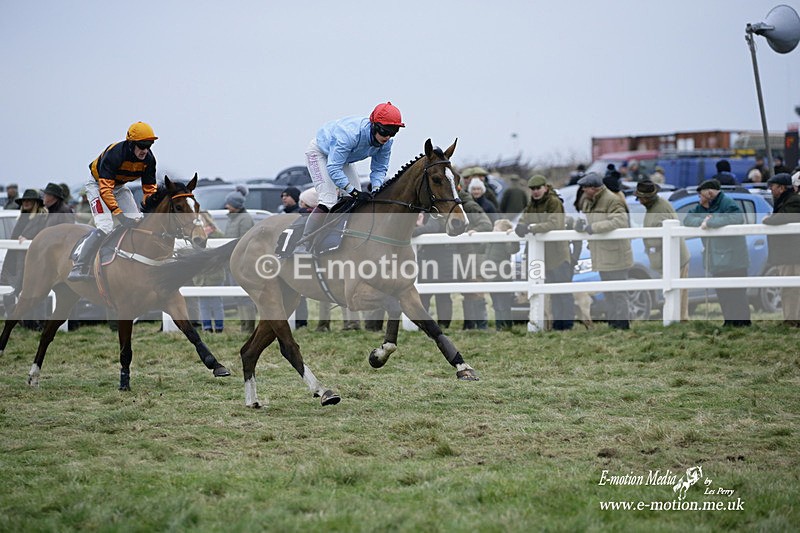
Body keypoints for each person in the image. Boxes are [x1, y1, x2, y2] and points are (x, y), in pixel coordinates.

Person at [296, 102, 404, 253]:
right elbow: (333, 168)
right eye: (385, 131)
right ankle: (303, 243)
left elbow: (379, 169)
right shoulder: (350, 135)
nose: (387, 137)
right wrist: (354, 192)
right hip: (320, 153)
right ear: (374, 125)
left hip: (343, 158)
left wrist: (376, 188)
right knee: (328, 200)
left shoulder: (387, 143)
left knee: (355, 203)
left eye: (393, 132)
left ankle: (342, 237)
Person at [68, 121, 158, 281]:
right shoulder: (115, 154)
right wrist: (119, 214)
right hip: (98, 185)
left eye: (149, 145)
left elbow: (150, 189)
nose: (145, 150)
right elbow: (105, 190)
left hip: (119, 186)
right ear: (131, 144)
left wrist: (152, 209)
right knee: (106, 226)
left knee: (137, 222)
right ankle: (79, 265)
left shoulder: (149, 160)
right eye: (142, 145)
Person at [684, 179, 751, 327]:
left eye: (701, 195)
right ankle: (729, 322)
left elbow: (737, 218)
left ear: (710, 193)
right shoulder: (702, 207)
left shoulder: (727, 203)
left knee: (737, 293)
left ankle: (743, 323)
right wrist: (702, 223)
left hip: (734, 258)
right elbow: (688, 219)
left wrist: (711, 222)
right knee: (723, 292)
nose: (699, 199)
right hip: (716, 258)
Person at [515, 175, 574, 330]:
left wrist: (530, 228)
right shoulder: (532, 205)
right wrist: (521, 226)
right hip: (543, 257)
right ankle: (557, 326)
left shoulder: (554, 202)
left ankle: (567, 325)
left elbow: (554, 224)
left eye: (538, 188)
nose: (535, 192)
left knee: (564, 293)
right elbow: (524, 219)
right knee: (552, 294)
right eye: (532, 189)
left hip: (559, 256)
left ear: (545, 187)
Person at [574, 172, 633, 330]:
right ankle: (613, 323)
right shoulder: (588, 202)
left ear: (594, 188)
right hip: (601, 254)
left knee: (618, 292)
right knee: (608, 292)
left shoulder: (612, 200)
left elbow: (620, 221)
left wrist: (593, 228)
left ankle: (622, 325)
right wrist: (579, 226)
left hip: (616, 253)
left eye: (585, 188)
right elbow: (584, 219)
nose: (583, 191)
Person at [635, 180, 690, 321]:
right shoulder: (653, 207)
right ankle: (675, 319)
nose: (640, 201)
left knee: (677, 293)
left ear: (649, 198)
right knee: (672, 291)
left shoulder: (660, 209)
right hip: (667, 257)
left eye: (641, 198)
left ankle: (679, 320)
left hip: (675, 257)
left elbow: (662, 236)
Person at [0, 189, 49, 327]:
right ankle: (23, 321)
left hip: (33, 261)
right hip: (16, 261)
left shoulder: (41, 218)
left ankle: (36, 323)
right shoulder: (22, 218)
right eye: (24, 200)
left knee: (35, 292)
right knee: (16, 292)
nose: (26, 203)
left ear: (35, 203)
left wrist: (29, 239)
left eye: (29, 200)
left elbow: (44, 236)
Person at [761, 173, 800, 327]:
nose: (770, 189)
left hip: (793, 254)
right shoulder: (786, 200)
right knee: (788, 288)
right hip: (788, 254)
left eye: (773, 186)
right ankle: (790, 319)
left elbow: (782, 218)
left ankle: (792, 320)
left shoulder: (794, 201)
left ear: (782, 188)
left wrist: (768, 219)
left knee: (792, 288)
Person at [224, 190, 257, 332]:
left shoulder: (245, 219)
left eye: (229, 203)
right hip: (232, 262)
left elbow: (244, 241)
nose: (226, 206)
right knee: (238, 296)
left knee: (245, 296)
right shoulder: (232, 218)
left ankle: (248, 326)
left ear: (235, 205)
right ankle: (243, 324)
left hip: (242, 264)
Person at [193, 212, 225, 333]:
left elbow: (223, 256)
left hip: (215, 276)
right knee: (203, 304)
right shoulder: (194, 236)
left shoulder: (218, 235)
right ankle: (206, 327)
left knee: (216, 302)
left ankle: (219, 327)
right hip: (200, 277)